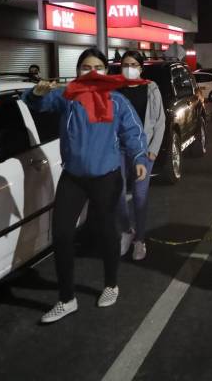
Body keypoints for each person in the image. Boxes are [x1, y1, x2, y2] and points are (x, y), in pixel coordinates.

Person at [22, 48, 148, 324]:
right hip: (74, 177)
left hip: (107, 176)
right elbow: (38, 104)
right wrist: (37, 94)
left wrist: (139, 157)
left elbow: (133, 132)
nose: (91, 72)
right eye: (85, 67)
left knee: (106, 232)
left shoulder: (116, 100)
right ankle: (67, 299)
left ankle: (111, 284)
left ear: (106, 71)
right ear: (77, 71)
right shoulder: (68, 95)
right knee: (63, 234)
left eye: (98, 67)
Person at [117, 50, 165, 261]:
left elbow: (160, 121)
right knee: (117, 195)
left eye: (134, 64)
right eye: (126, 64)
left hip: (143, 151)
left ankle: (140, 240)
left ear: (140, 67)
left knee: (140, 196)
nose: (129, 68)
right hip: (118, 149)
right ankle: (127, 231)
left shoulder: (151, 88)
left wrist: (153, 150)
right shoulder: (115, 89)